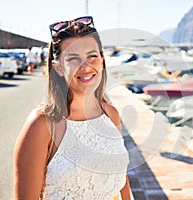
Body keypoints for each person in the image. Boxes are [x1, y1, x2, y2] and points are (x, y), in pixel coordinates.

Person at [13, 16, 131, 200]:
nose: (85, 67)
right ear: (58, 67)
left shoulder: (111, 114)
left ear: (101, 60)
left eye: (92, 56)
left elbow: (122, 180)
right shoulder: (42, 125)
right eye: (73, 59)